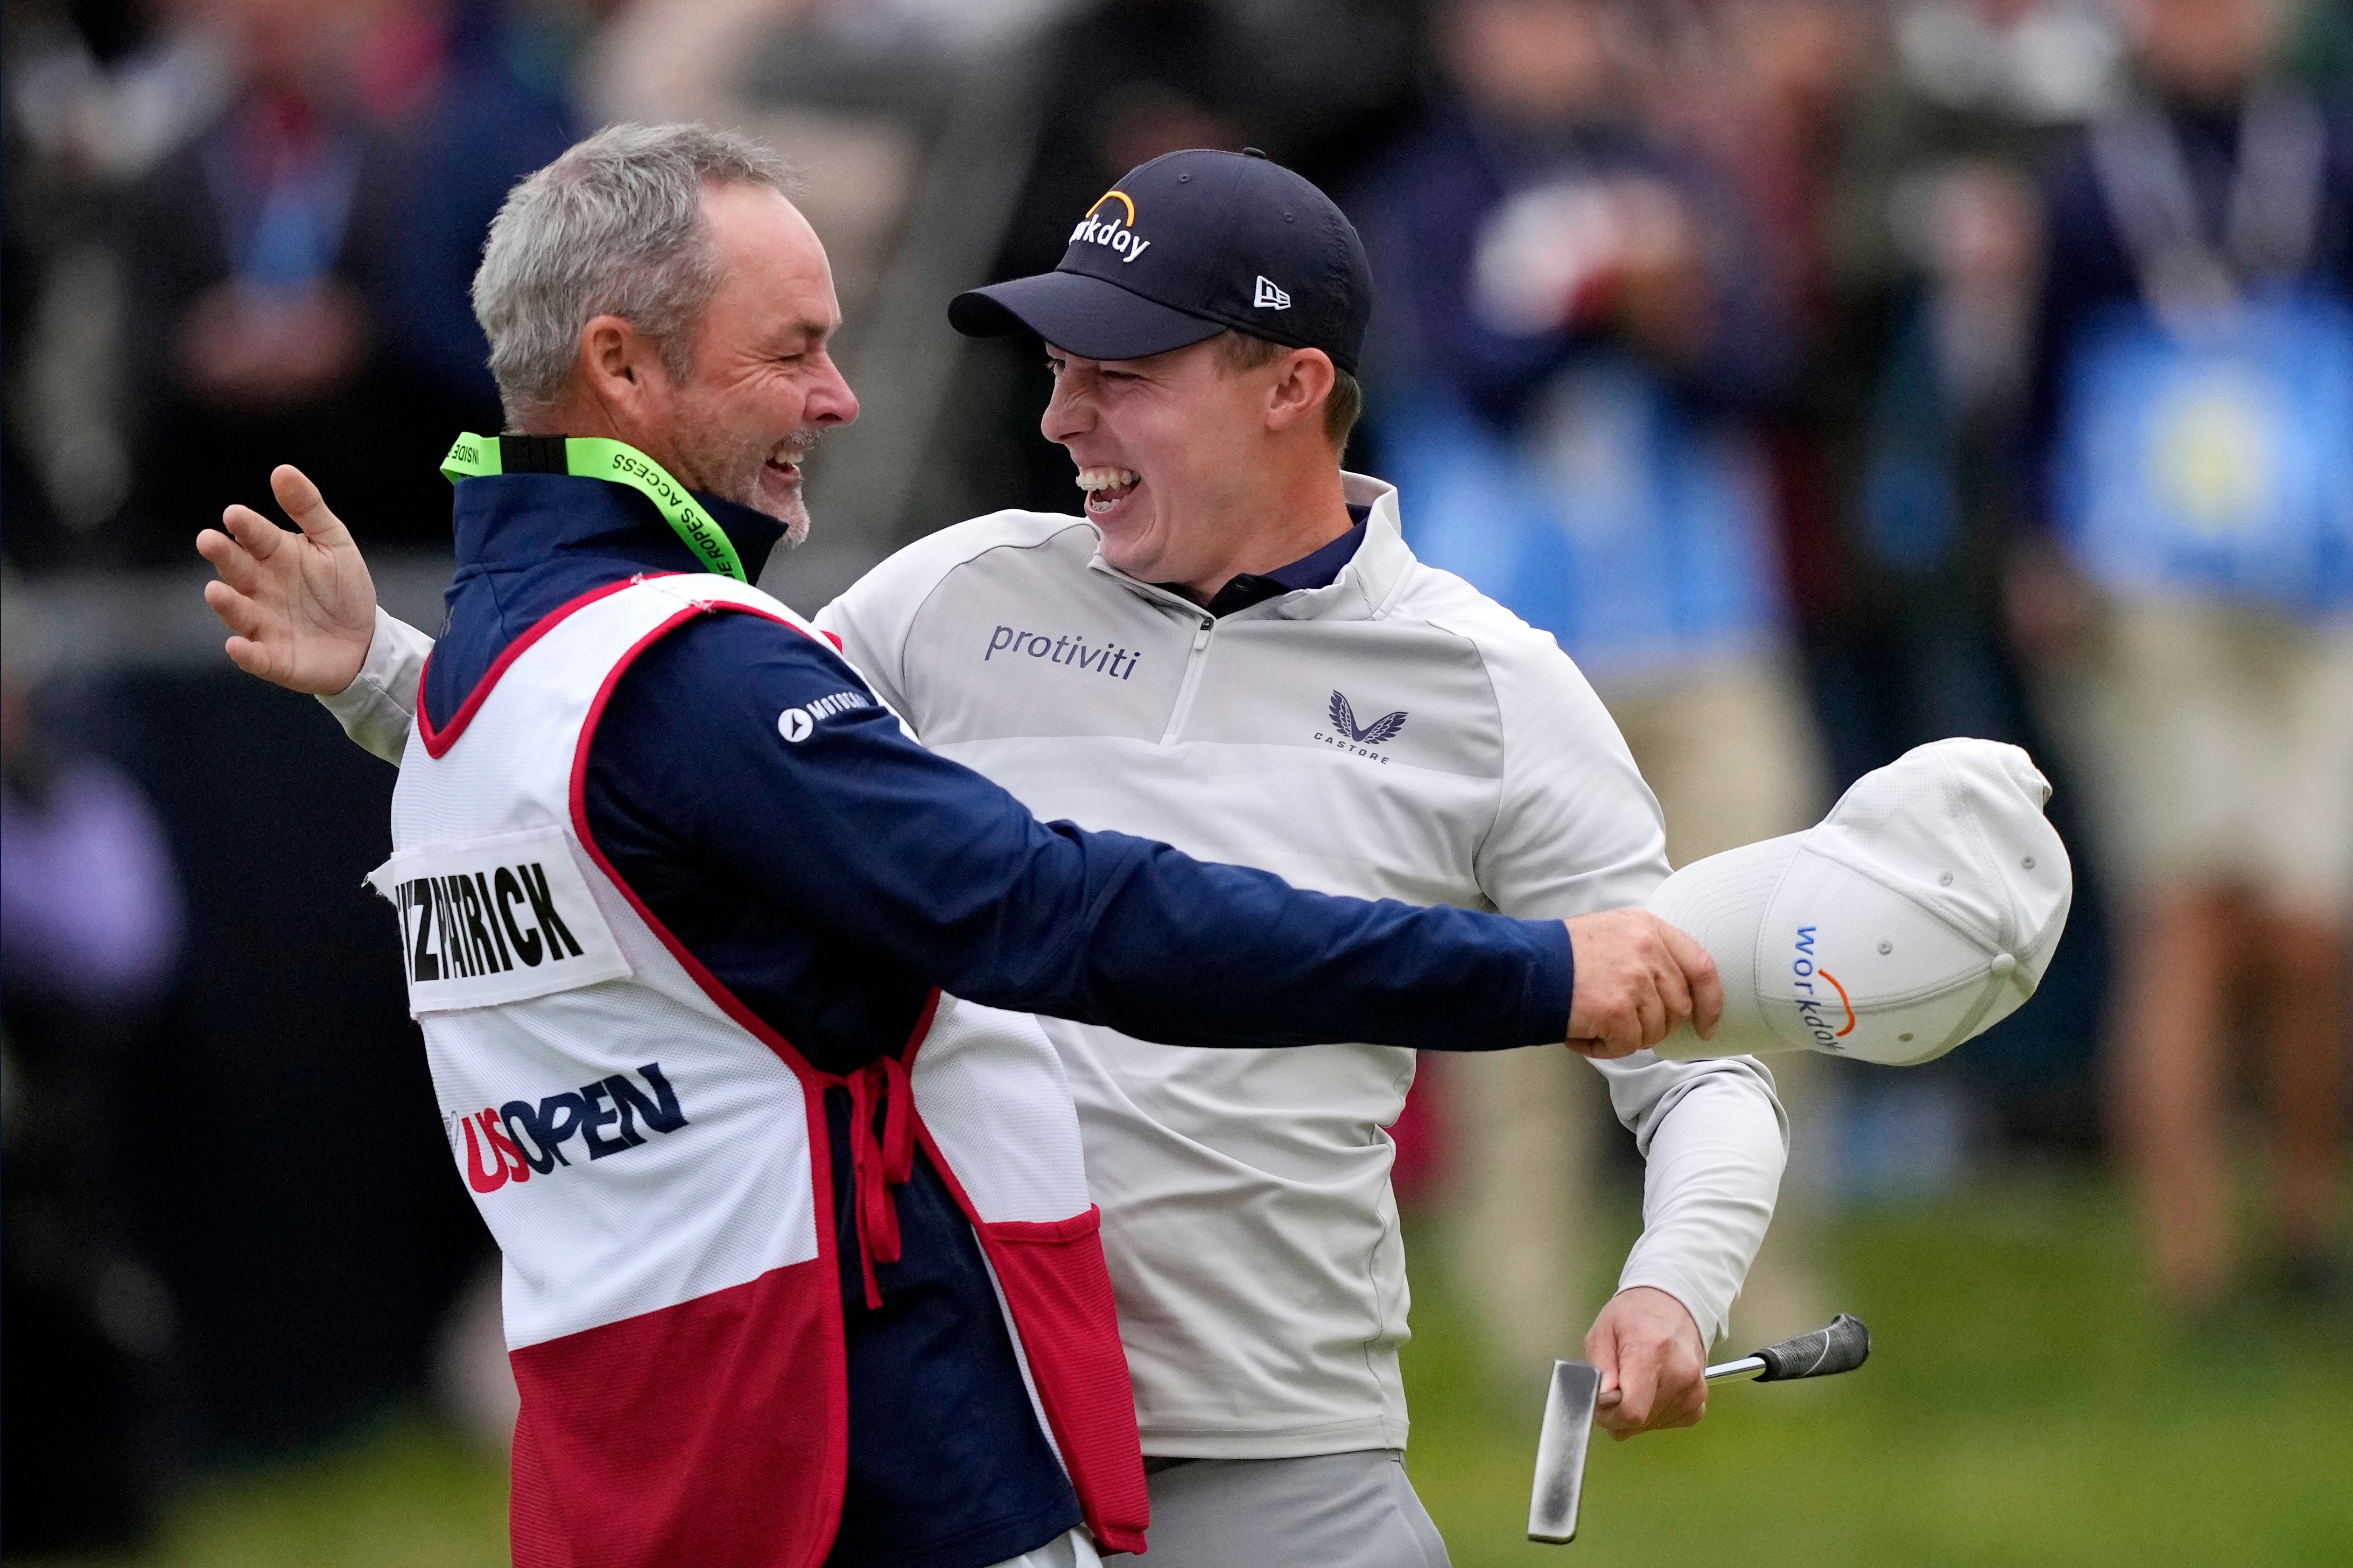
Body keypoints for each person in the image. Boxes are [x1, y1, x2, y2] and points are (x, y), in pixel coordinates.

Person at [195, 125, 1728, 1568]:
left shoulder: (1494, 683)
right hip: (989, 1432)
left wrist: (1676, 1277)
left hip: (1270, 1462)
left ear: (1289, 383)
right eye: (1057, 369)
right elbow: (673, 787)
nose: (1060, 419)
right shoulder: (951, 594)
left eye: (1118, 374)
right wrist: (399, 681)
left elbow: (1695, 1054)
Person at [1354, 0, 1823, 1365]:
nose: (1554, 40)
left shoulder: (1682, 169)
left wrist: (1675, 323)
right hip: (1498, 652)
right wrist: (1600, 303)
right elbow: (1458, 374)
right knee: (1511, 998)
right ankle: (1528, 1331)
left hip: (1703, 624)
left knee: (1759, 970)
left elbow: (1767, 371)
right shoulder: (1426, 192)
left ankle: (1753, 1301)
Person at [2022, 0, 2353, 1315]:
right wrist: (2039, 541)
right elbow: (2034, 386)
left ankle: (2301, 1219)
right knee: (2187, 911)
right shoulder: (2091, 182)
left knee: (2311, 924)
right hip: (2149, 580)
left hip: (2312, 577)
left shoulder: (2323, 160)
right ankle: (2188, 1258)